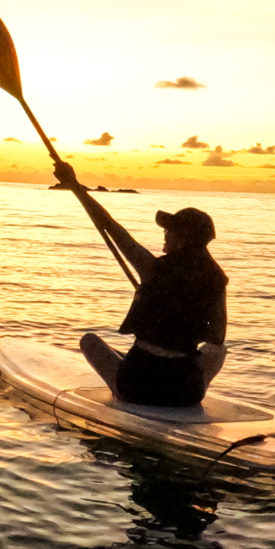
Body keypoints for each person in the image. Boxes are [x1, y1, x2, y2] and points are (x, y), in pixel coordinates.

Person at [57, 159, 229, 405]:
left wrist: (74, 185)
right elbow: (217, 338)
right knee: (218, 351)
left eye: (169, 231)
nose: (164, 235)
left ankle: (125, 392)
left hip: (137, 385)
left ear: (182, 239)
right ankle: (186, 391)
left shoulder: (153, 269)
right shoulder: (217, 280)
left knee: (89, 342)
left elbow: (111, 227)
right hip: (185, 391)